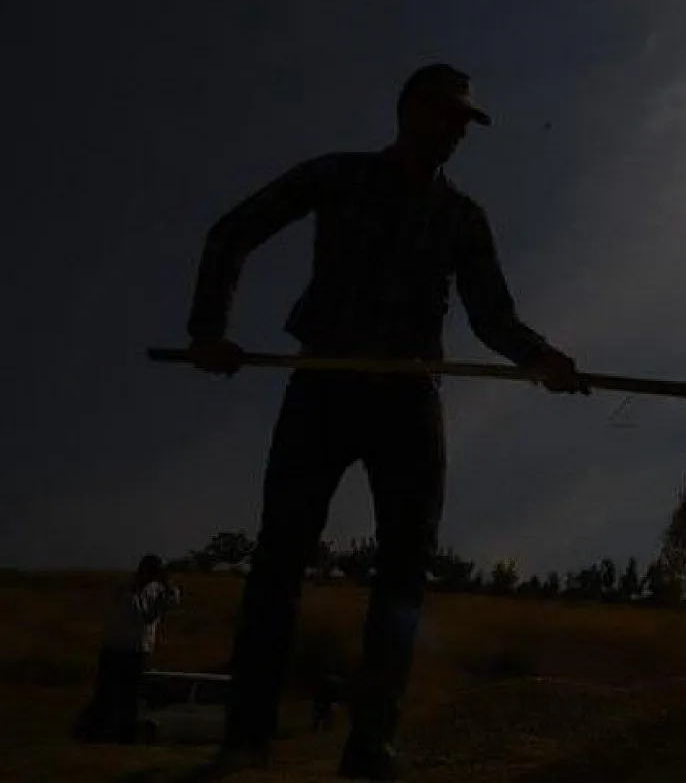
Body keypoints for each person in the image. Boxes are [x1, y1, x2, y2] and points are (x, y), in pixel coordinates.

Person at [183, 65, 588, 780]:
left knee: (403, 574)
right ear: (408, 110)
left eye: (465, 121)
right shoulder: (337, 175)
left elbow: (491, 315)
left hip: (409, 396)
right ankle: (247, 737)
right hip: (326, 383)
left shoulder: (463, 217)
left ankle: (373, 743)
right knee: (279, 561)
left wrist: (543, 358)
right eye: (447, 115)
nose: (458, 131)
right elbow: (233, 233)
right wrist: (209, 329)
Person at [80, 555, 183, 743]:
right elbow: (138, 613)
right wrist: (155, 607)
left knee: (131, 694)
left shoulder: (155, 589)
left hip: (138, 648)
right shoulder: (125, 587)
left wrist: (168, 585)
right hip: (117, 646)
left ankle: (124, 734)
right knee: (108, 692)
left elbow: (173, 601)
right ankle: (97, 732)